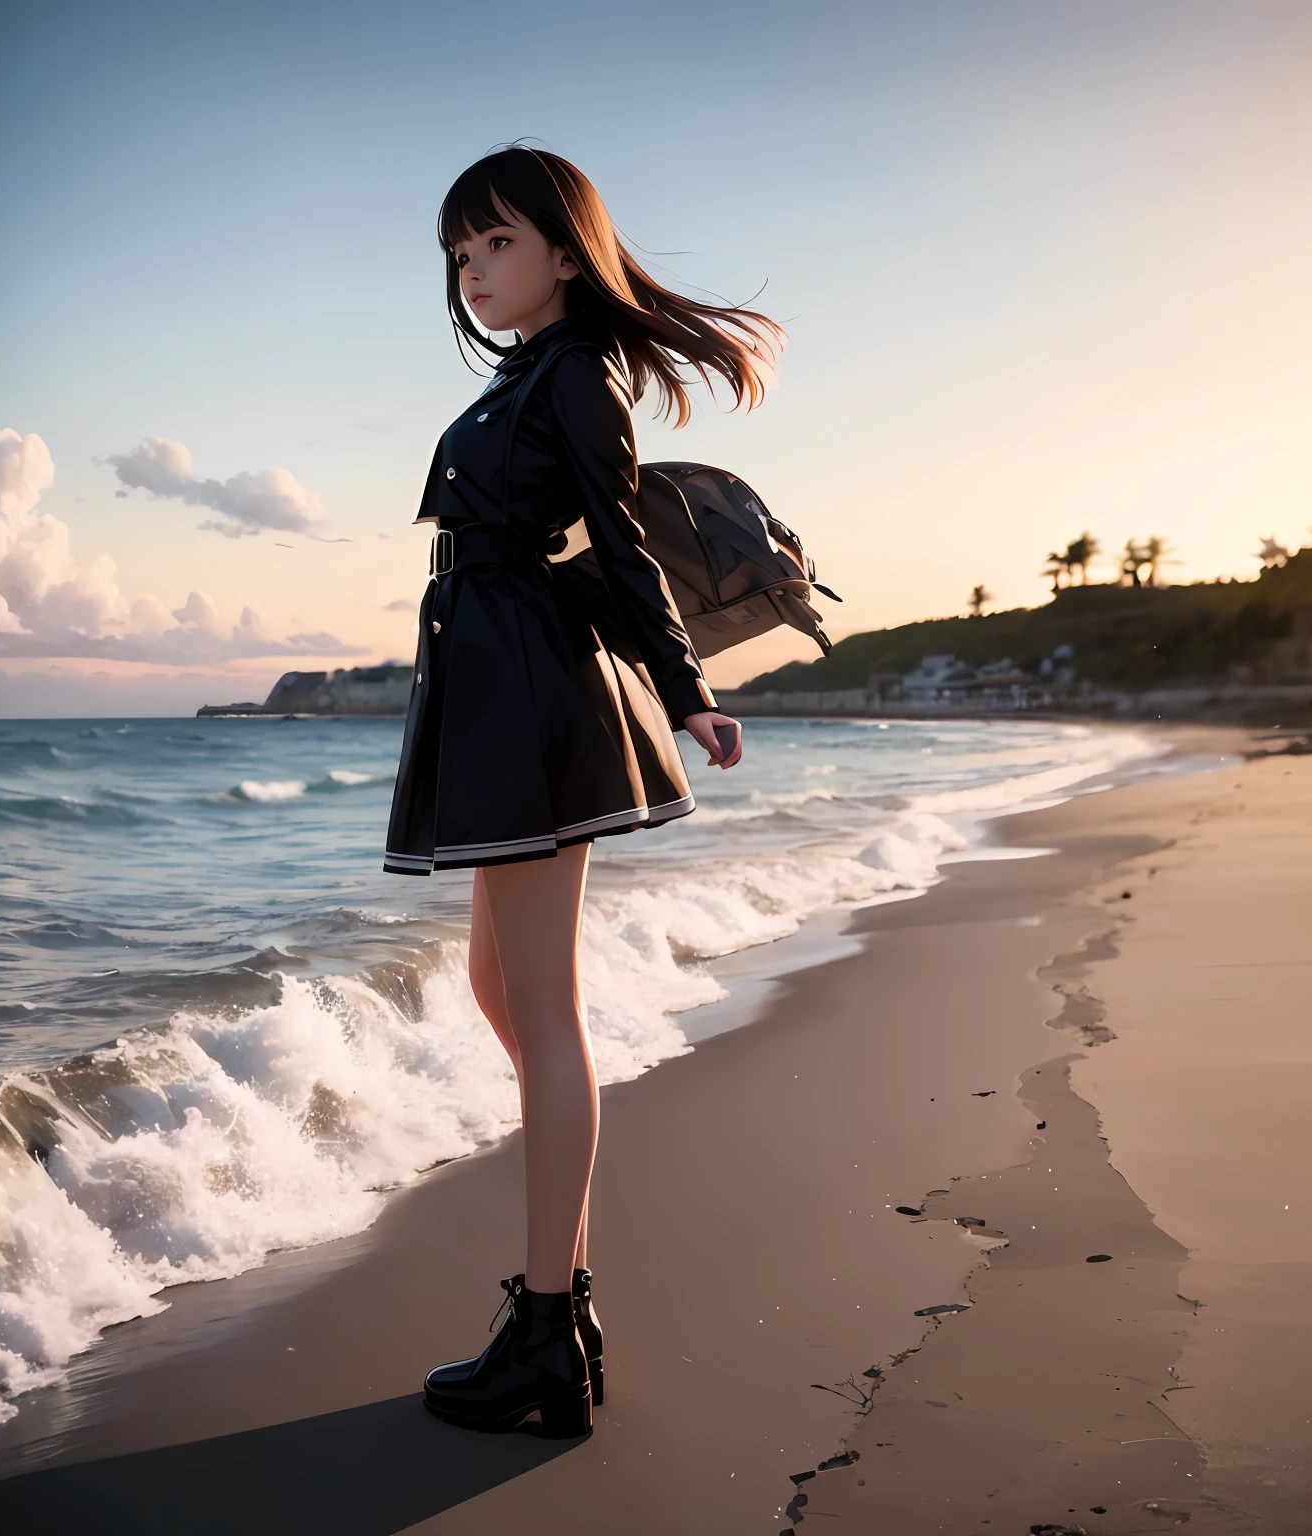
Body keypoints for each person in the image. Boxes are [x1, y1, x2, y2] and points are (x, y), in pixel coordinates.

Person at [385, 145, 782, 1439]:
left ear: (566, 250)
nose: (472, 269)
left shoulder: (574, 376)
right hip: (498, 687)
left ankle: (550, 1325)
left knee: (541, 1009)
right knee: (499, 990)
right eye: (459, 252)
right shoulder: (526, 377)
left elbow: (622, 547)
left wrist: (686, 692)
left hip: (536, 695)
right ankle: (559, 1305)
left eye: (493, 242)